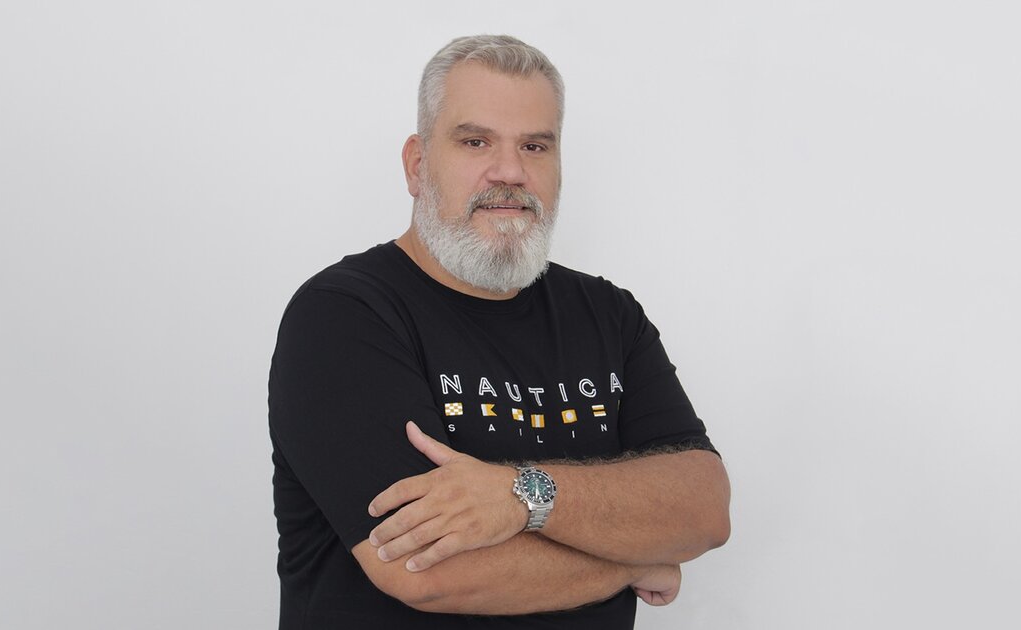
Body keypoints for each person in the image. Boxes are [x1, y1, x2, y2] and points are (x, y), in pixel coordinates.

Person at [268, 35, 731, 629]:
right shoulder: (343, 315)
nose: (510, 171)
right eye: (475, 141)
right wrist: (635, 561)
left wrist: (520, 495)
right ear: (417, 164)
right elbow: (426, 572)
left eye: (535, 146)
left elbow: (704, 509)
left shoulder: (608, 314)